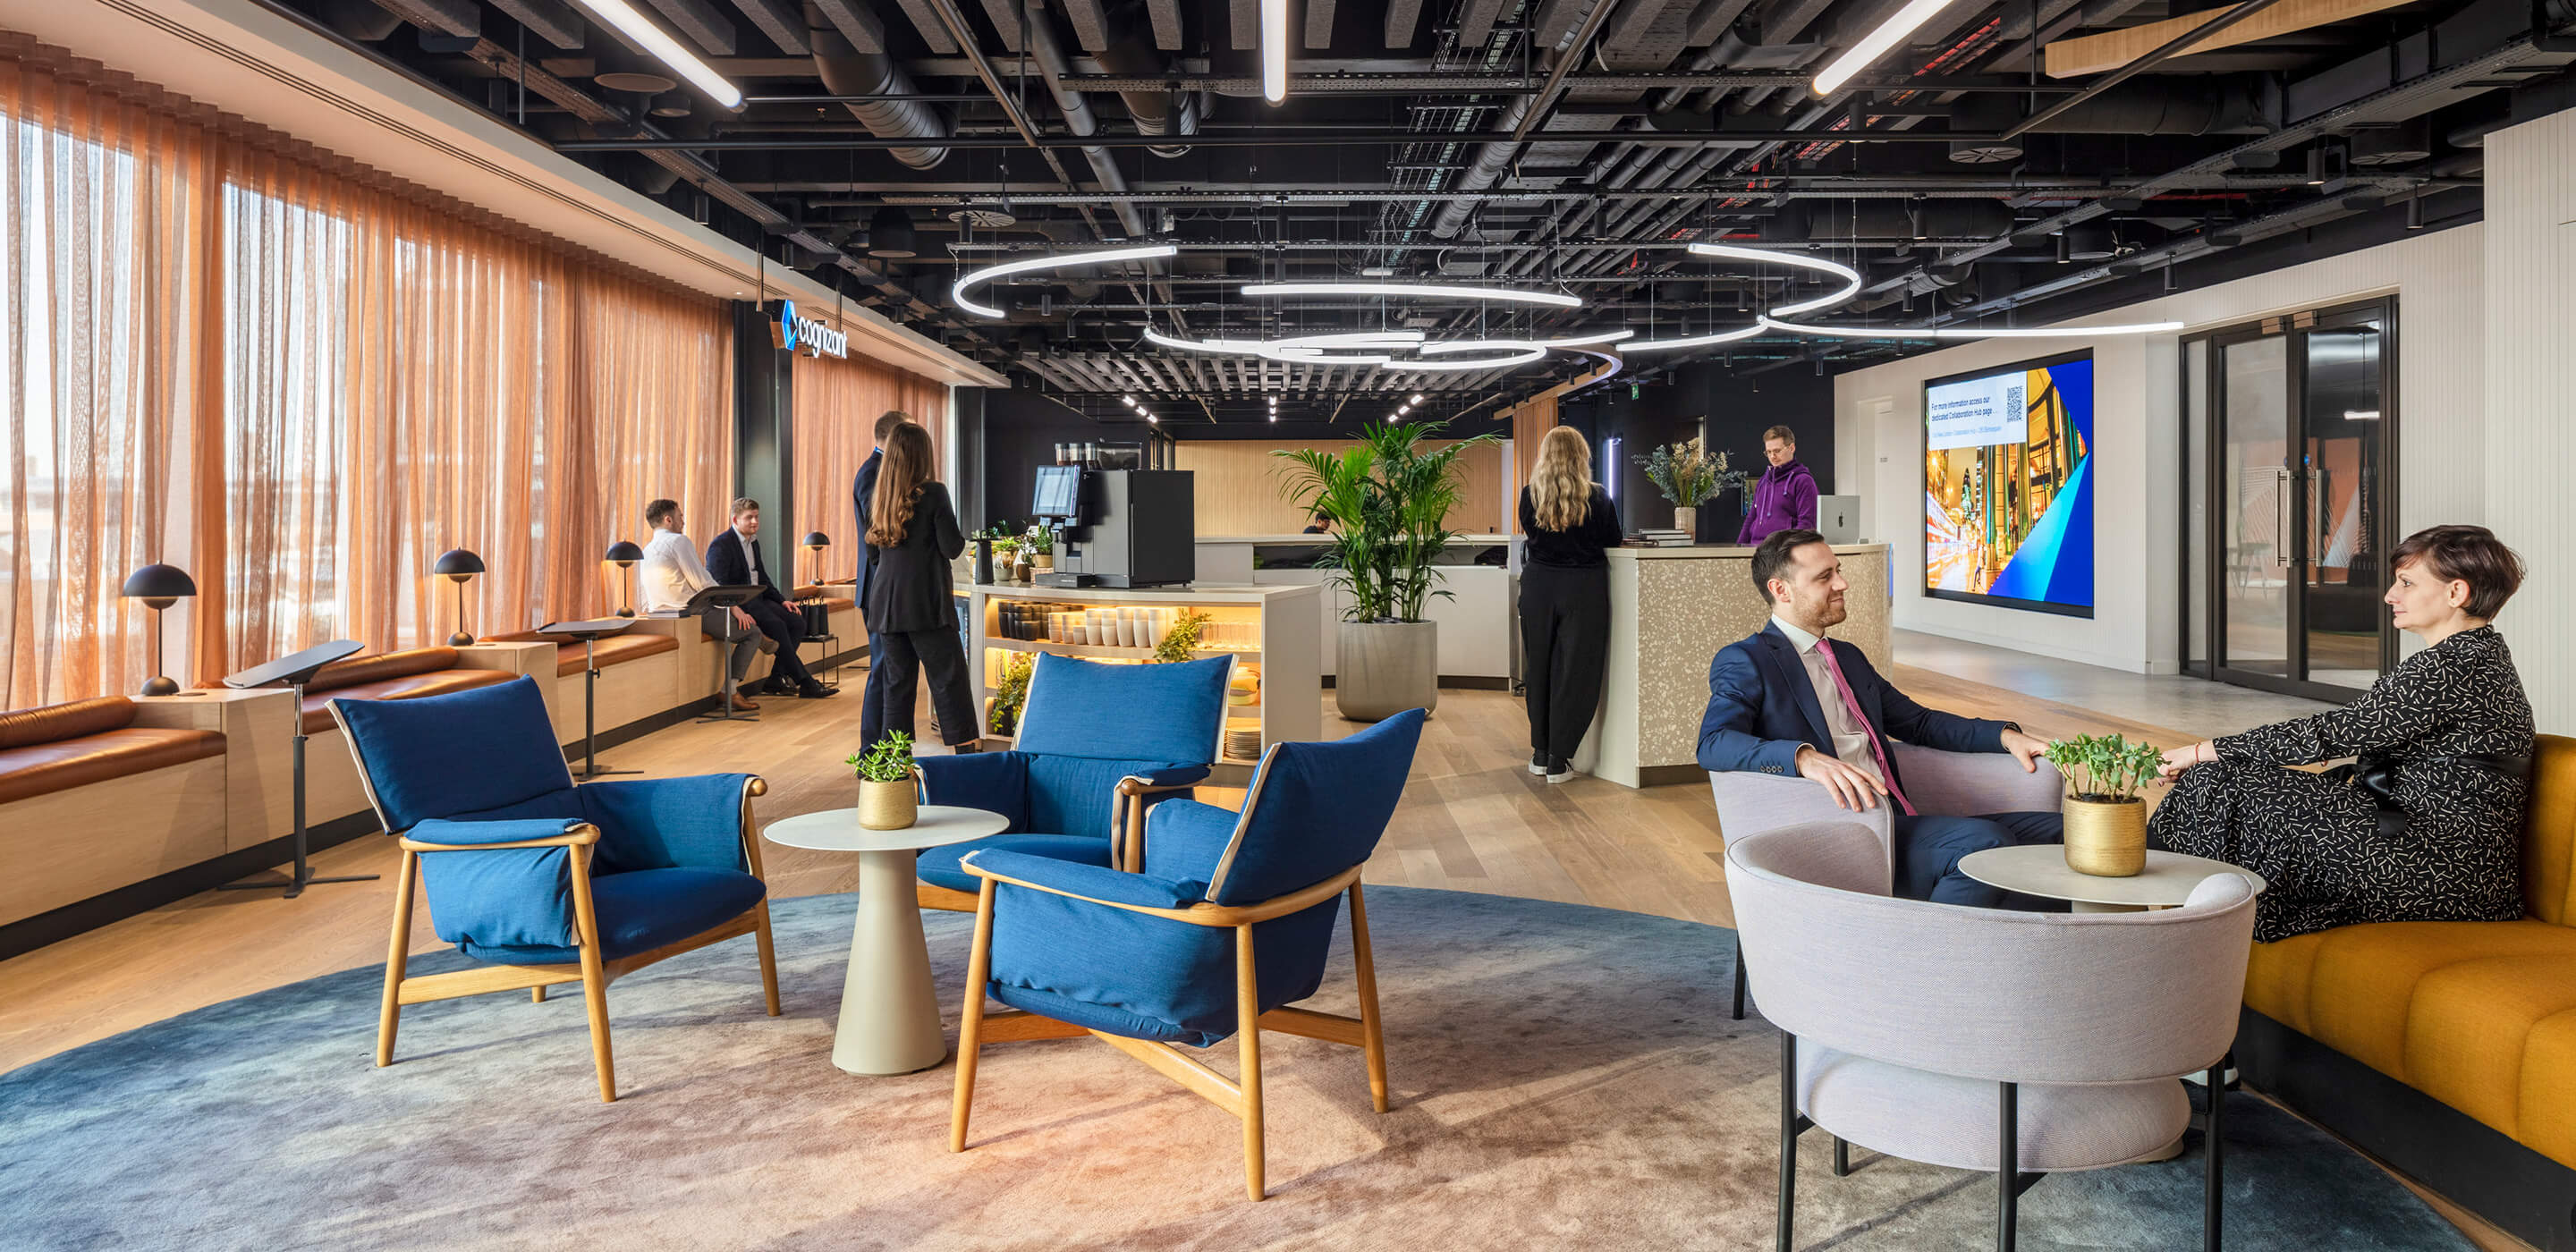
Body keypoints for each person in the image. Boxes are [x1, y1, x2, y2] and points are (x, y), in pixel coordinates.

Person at [2151, 525, 2535, 942]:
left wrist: (2204, 750)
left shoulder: (2454, 666)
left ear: (2456, 593)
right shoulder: (2472, 657)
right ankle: (2169, 915)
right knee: (2218, 782)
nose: (2391, 595)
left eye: (2406, 583)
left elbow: (2336, 733)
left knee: (2216, 779)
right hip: (2423, 847)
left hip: (2444, 870)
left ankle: (2151, 908)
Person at [1697, 529, 2059, 906]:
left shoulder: (1847, 656)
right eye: (1825, 577)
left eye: (1837, 570)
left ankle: (2029, 954)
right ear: (1781, 590)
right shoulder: (1748, 659)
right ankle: (1929, 959)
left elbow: (1918, 723)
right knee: (1985, 844)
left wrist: (2004, 737)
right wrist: (1803, 758)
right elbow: (1714, 743)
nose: (1842, 583)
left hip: (1898, 818)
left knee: (2063, 835)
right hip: (1853, 833)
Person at [1517, 427, 1623, 784]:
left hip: (1538, 586)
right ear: (1582, 456)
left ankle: (1540, 751)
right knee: (1575, 671)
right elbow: (1613, 539)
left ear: (1545, 455)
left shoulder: (1529, 495)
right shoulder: (1598, 497)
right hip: (1583, 588)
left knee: (1540, 668)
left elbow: (1532, 536)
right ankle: (1560, 759)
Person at [863, 422, 977, 752]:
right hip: (927, 606)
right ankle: (965, 761)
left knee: (897, 687)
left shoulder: (880, 497)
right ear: (922, 455)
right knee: (948, 681)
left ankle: (892, 767)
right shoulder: (935, 493)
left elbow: (873, 554)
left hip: (887, 606)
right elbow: (951, 547)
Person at [638, 498, 768, 714]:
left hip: (660, 614)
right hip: (692, 611)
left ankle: (767, 641)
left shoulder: (647, 549)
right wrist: (733, 606)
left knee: (747, 624)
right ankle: (730, 691)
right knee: (751, 633)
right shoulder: (679, 541)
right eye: (680, 516)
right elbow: (702, 582)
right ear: (668, 519)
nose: (684, 521)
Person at [705, 498, 834, 699]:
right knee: (778, 626)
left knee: (798, 623)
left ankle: (776, 678)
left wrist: (782, 600)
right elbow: (717, 583)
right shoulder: (720, 545)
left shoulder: (753, 542)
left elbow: (763, 577)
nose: (755, 521)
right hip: (743, 602)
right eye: (749, 518)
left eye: (756, 517)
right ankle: (806, 682)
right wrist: (735, 608)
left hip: (760, 598)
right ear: (735, 520)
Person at [853, 410, 911, 740]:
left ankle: (888, 747)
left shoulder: (886, 472)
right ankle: (871, 750)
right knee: (883, 668)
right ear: (894, 437)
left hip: (885, 587)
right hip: (878, 587)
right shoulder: (872, 474)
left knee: (892, 669)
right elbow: (877, 534)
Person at [1736, 425, 1819, 546]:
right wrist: (1738, 549)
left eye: (1777, 451)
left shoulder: (1803, 481)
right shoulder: (1763, 481)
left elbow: (1807, 525)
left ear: (1791, 448)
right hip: (1755, 550)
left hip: (1782, 553)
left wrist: (1783, 549)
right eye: (1768, 452)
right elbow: (1751, 519)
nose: (1772, 456)